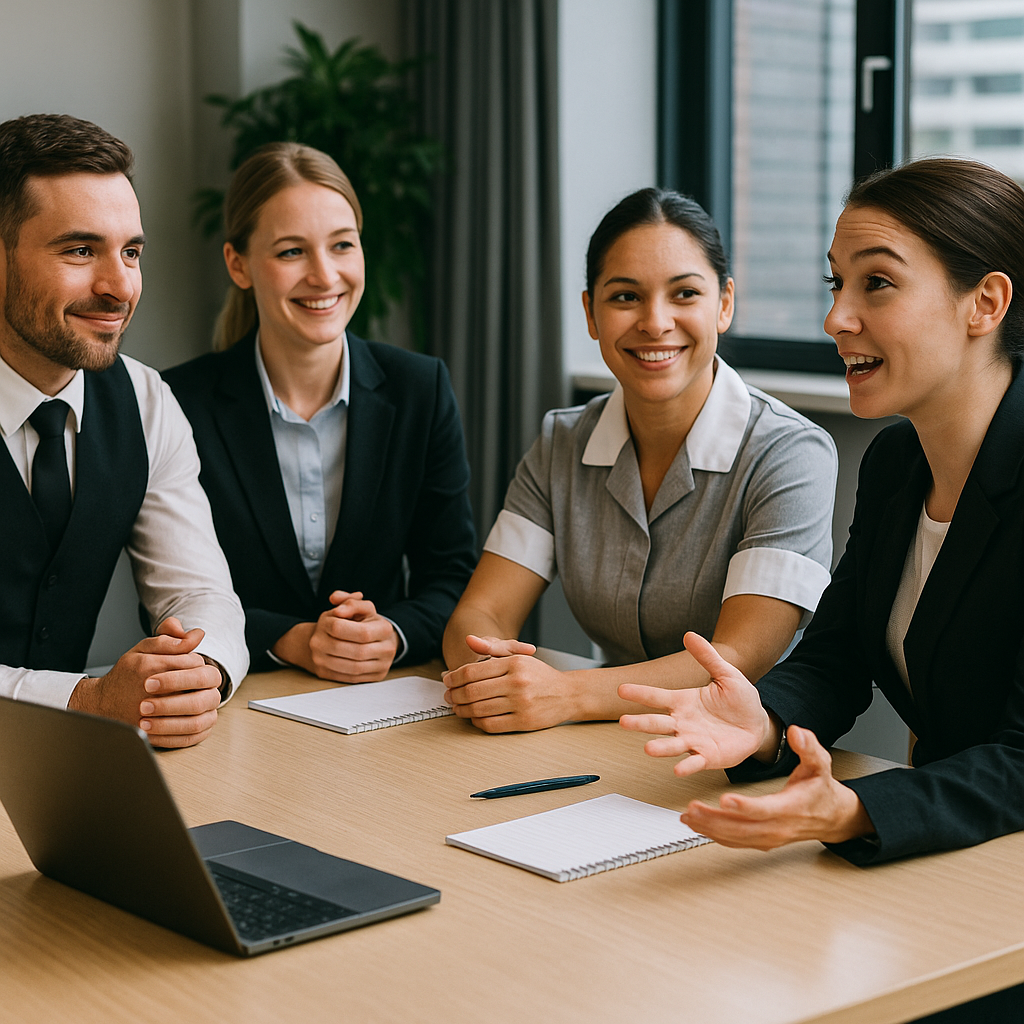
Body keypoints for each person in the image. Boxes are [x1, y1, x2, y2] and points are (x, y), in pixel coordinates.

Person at [620, 158, 1024, 869]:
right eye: (837, 283)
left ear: (984, 304)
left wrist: (858, 810)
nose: (837, 318)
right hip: (958, 850)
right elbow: (839, 655)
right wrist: (766, 721)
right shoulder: (898, 461)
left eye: (878, 283)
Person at [442, 188, 838, 732]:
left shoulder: (790, 452)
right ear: (591, 312)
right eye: (625, 297)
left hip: (750, 752)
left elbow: (740, 657)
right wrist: (491, 681)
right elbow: (477, 615)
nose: (655, 322)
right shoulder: (563, 442)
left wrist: (567, 695)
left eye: (684, 294)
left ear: (724, 304)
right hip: (608, 742)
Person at [164, 143, 476, 682]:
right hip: (235, 704)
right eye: (291, 252)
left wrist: (394, 633)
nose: (325, 274)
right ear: (238, 264)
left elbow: (451, 576)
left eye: (342, 245)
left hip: (384, 703)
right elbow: (169, 598)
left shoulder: (420, 389)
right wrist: (293, 641)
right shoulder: (178, 403)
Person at [0, 113, 248, 747]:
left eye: (131, 252)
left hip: (65, 779)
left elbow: (199, 591)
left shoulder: (144, 399)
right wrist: (85, 700)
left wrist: (194, 673)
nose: (119, 287)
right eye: (81, 250)